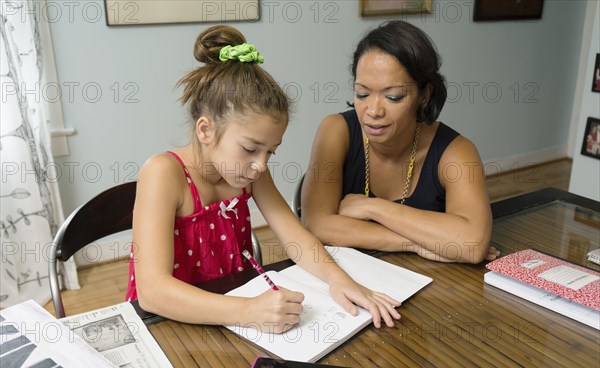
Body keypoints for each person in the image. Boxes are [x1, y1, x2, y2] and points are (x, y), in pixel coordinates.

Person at [126, 25, 400, 333]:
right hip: (170, 322)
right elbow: (152, 293)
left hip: (233, 314)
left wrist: (340, 281)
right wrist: (247, 311)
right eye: (250, 149)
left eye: (270, 152)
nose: (259, 166)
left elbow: (295, 238)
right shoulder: (163, 173)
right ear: (205, 130)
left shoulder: (247, 171)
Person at [301, 20, 497, 264]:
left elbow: (471, 245)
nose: (373, 111)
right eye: (362, 93)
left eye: (393, 97)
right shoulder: (335, 130)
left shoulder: (456, 152)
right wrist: (416, 243)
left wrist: (372, 207)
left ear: (424, 95)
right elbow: (315, 224)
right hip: (346, 275)